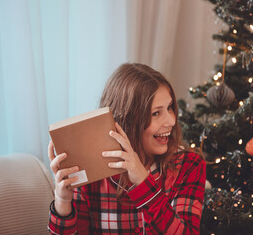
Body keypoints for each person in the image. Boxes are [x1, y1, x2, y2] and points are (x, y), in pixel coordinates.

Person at [47, 63, 206, 234]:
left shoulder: (189, 165)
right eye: (156, 113)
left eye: (169, 108)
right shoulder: (90, 172)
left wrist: (143, 182)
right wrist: (62, 201)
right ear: (127, 121)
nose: (171, 121)